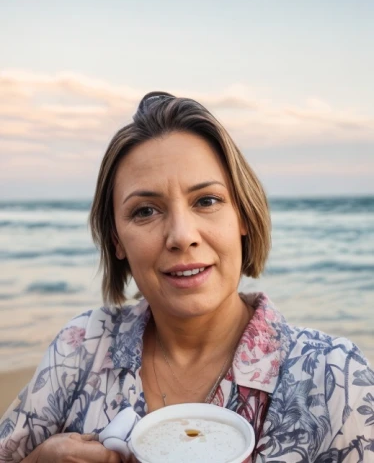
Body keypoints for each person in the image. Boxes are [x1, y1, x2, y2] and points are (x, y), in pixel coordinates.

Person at [0, 92, 373, 463]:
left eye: (206, 201)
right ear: (117, 241)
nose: (182, 235)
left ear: (242, 215)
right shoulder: (81, 348)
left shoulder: (335, 379)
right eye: (145, 211)